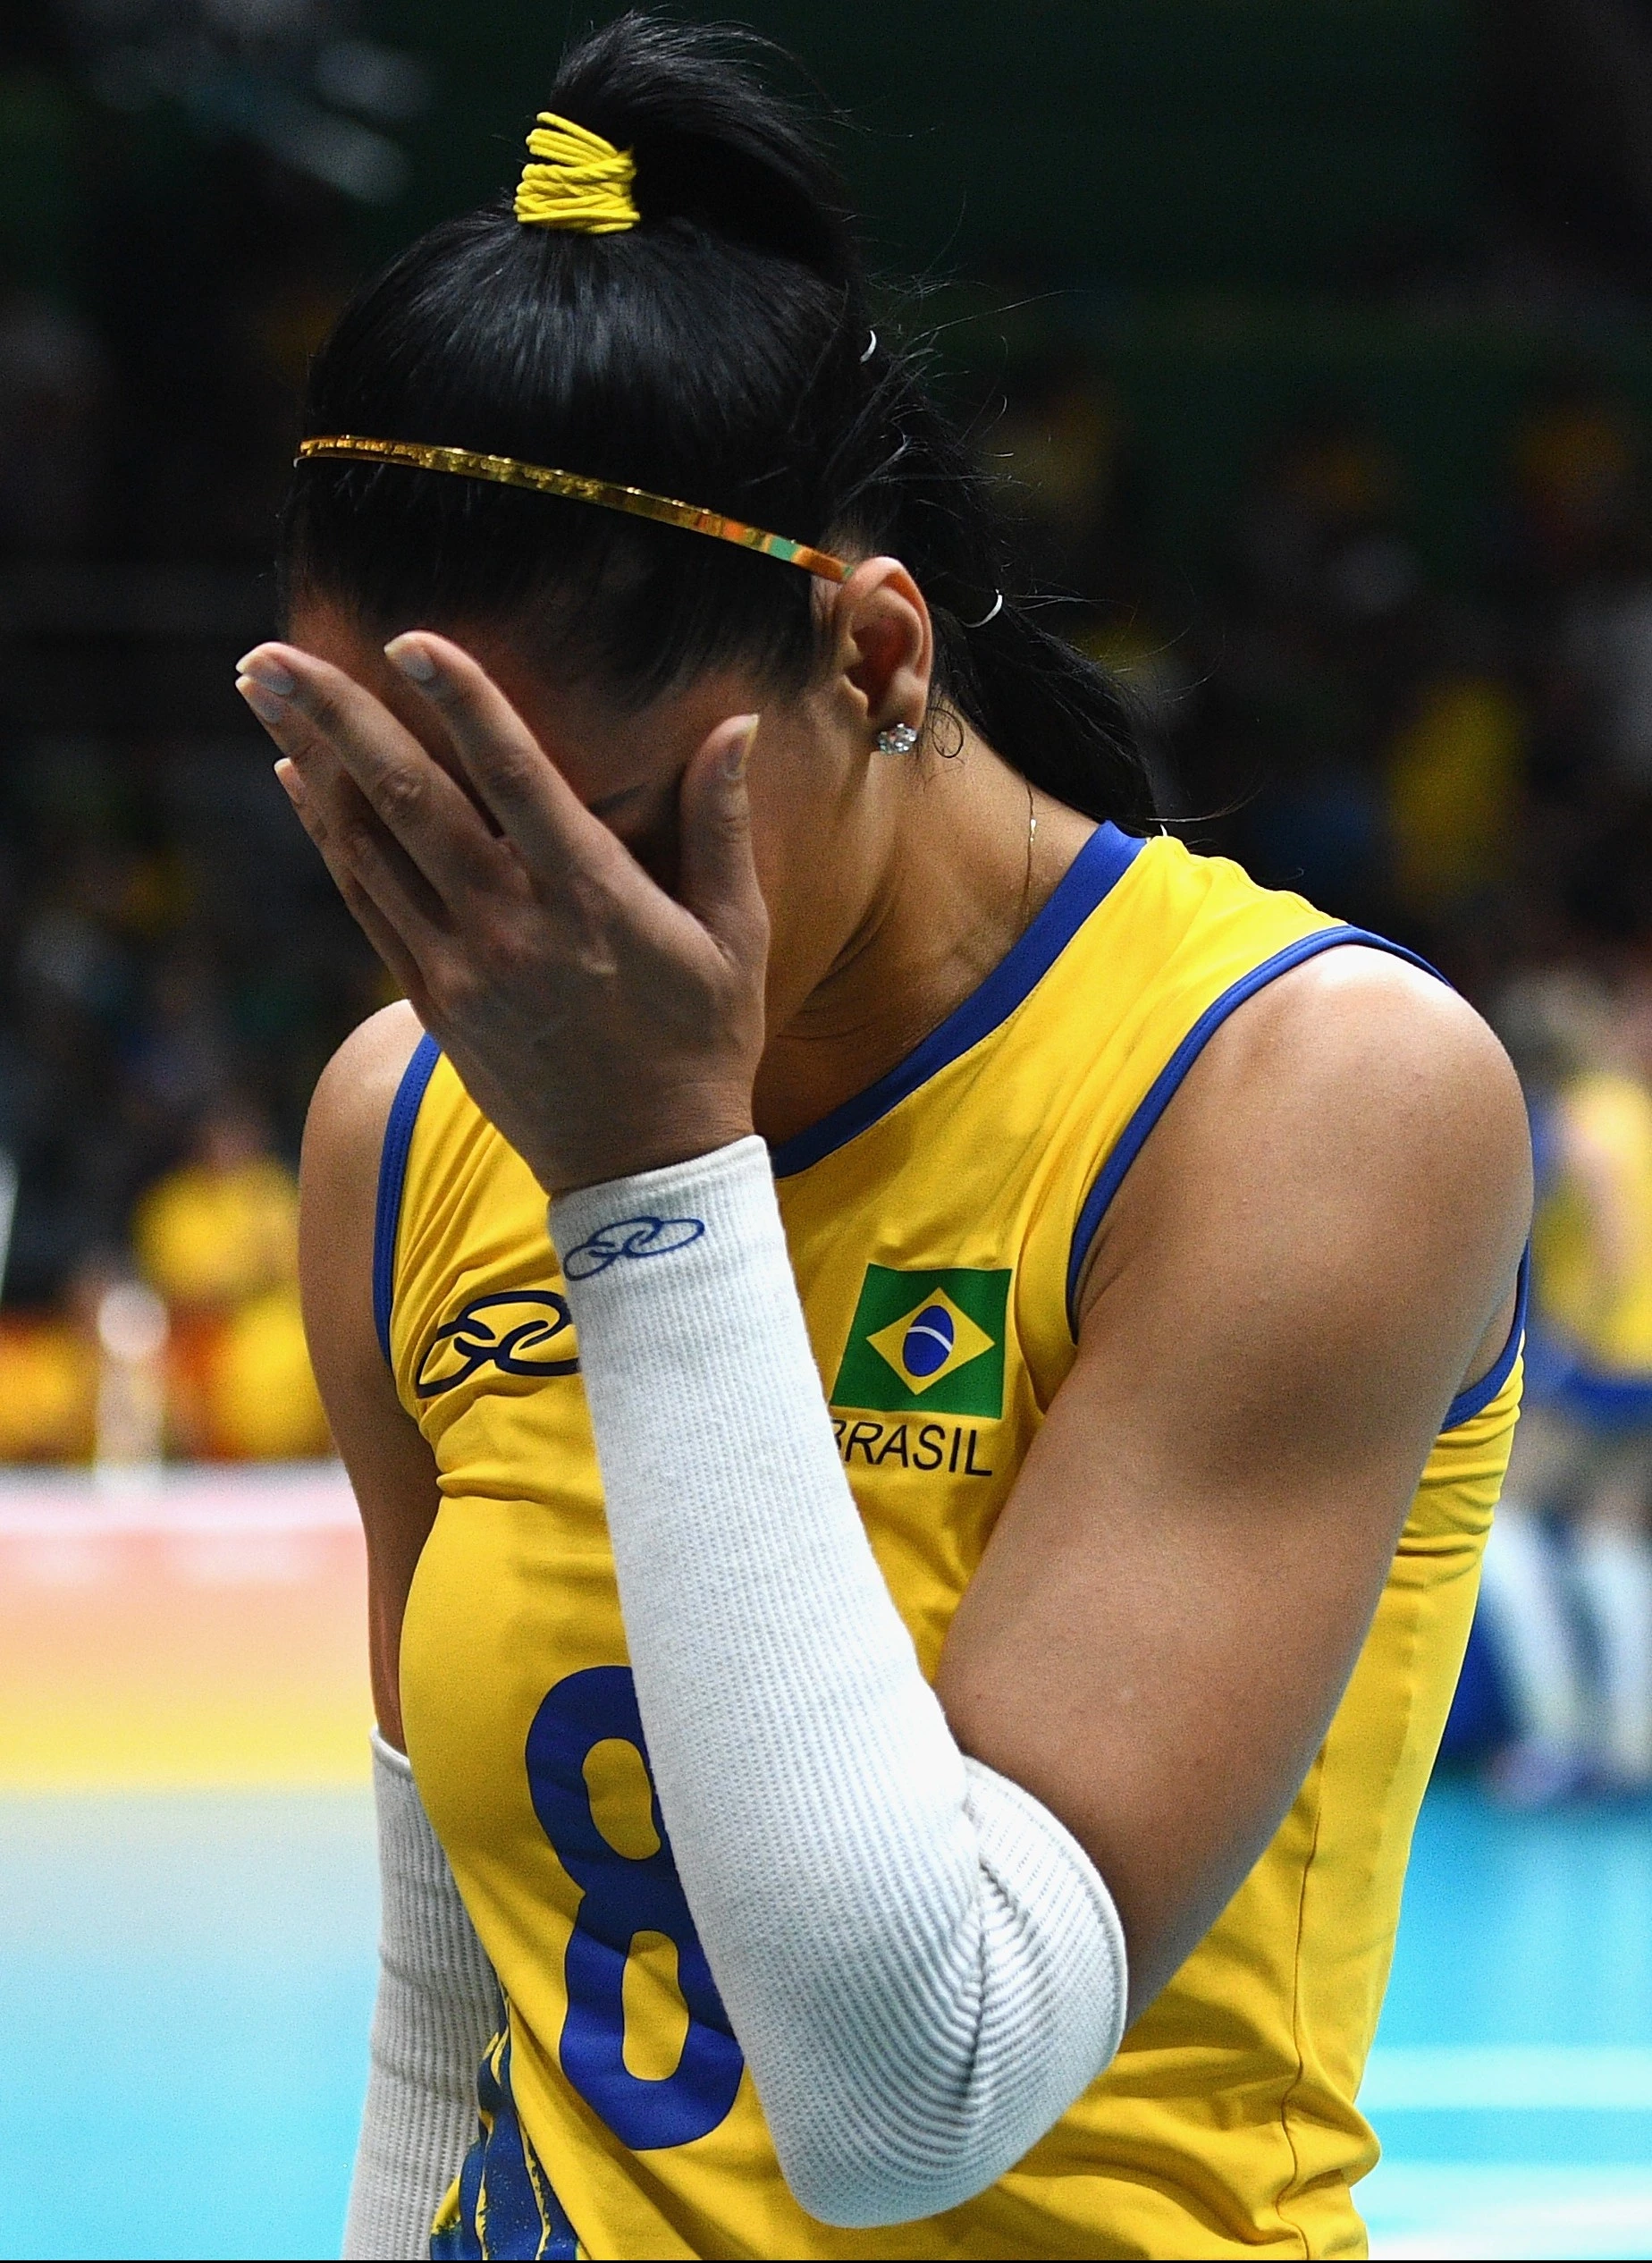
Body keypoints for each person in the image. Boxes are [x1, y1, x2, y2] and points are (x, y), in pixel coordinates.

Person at [236, 17, 1530, 2259]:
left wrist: (648, 1184)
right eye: (401, 829)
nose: (502, 930)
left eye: (590, 829)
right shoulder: (404, 1121)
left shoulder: (1308, 1101)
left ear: (876, 652)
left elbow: (912, 2081)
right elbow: (446, 2021)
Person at [1484, 969, 1652, 1800]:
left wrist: (1566, 1345)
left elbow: (1612, 1234)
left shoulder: (1573, 1121)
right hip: (1644, 1374)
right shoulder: (1635, 1108)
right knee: (1607, 1546)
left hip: (1598, 1373)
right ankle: (1629, 1746)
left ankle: (1555, 1732)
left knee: (1500, 1532)